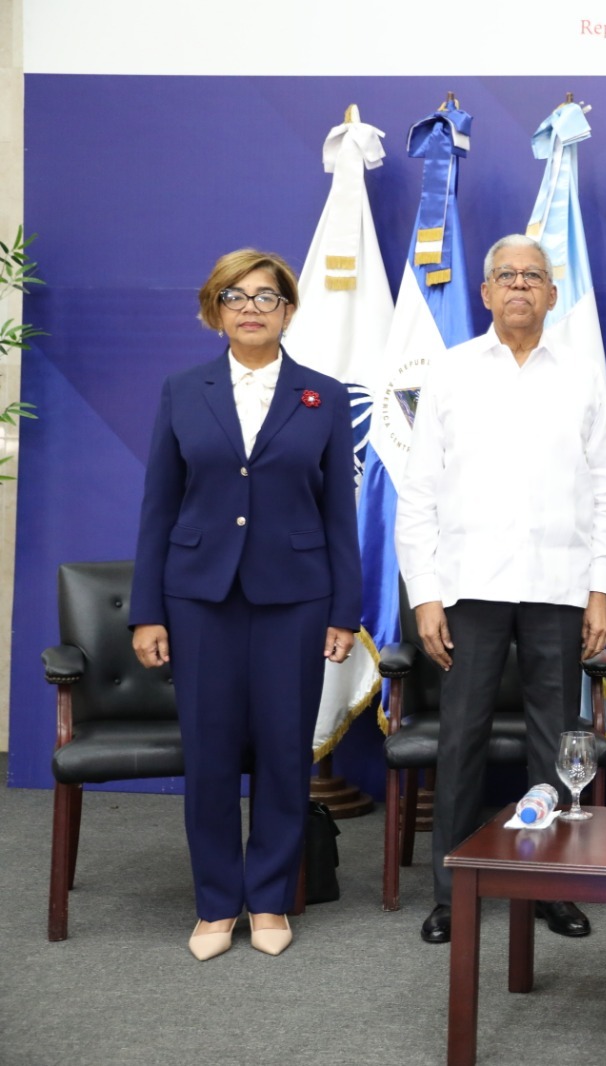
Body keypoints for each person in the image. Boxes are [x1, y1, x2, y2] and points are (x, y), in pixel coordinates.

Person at [131, 249, 361, 960]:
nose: (252, 307)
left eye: (267, 296)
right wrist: (147, 610)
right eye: (236, 296)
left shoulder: (324, 396)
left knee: (286, 752)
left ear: (288, 310)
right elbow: (159, 507)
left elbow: (339, 515)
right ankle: (214, 904)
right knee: (208, 753)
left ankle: (269, 899)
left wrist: (343, 612)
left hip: (296, 599)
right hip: (199, 598)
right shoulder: (182, 391)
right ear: (215, 310)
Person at [395, 234, 606, 946]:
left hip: (559, 586)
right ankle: (452, 892)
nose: (519, 285)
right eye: (506, 275)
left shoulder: (582, 374)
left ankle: (549, 886)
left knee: (556, 746)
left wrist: (600, 591)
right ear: (486, 292)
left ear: (552, 293)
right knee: (460, 740)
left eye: (533, 275)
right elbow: (418, 492)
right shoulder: (451, 372)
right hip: (470, 588)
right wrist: (425, 595)